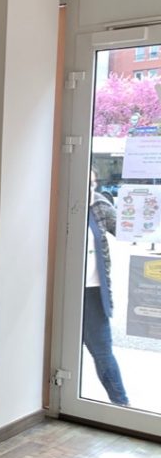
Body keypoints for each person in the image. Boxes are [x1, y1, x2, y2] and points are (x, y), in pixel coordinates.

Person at [84, 168, 129, 406]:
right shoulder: (56, 204)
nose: (90, 189)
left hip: (92, 291)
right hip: (60, 289)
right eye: (86, 184)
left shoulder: (99, 205)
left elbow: (126, 229)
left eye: (93, 183)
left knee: (102, 350)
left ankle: (121, 403)